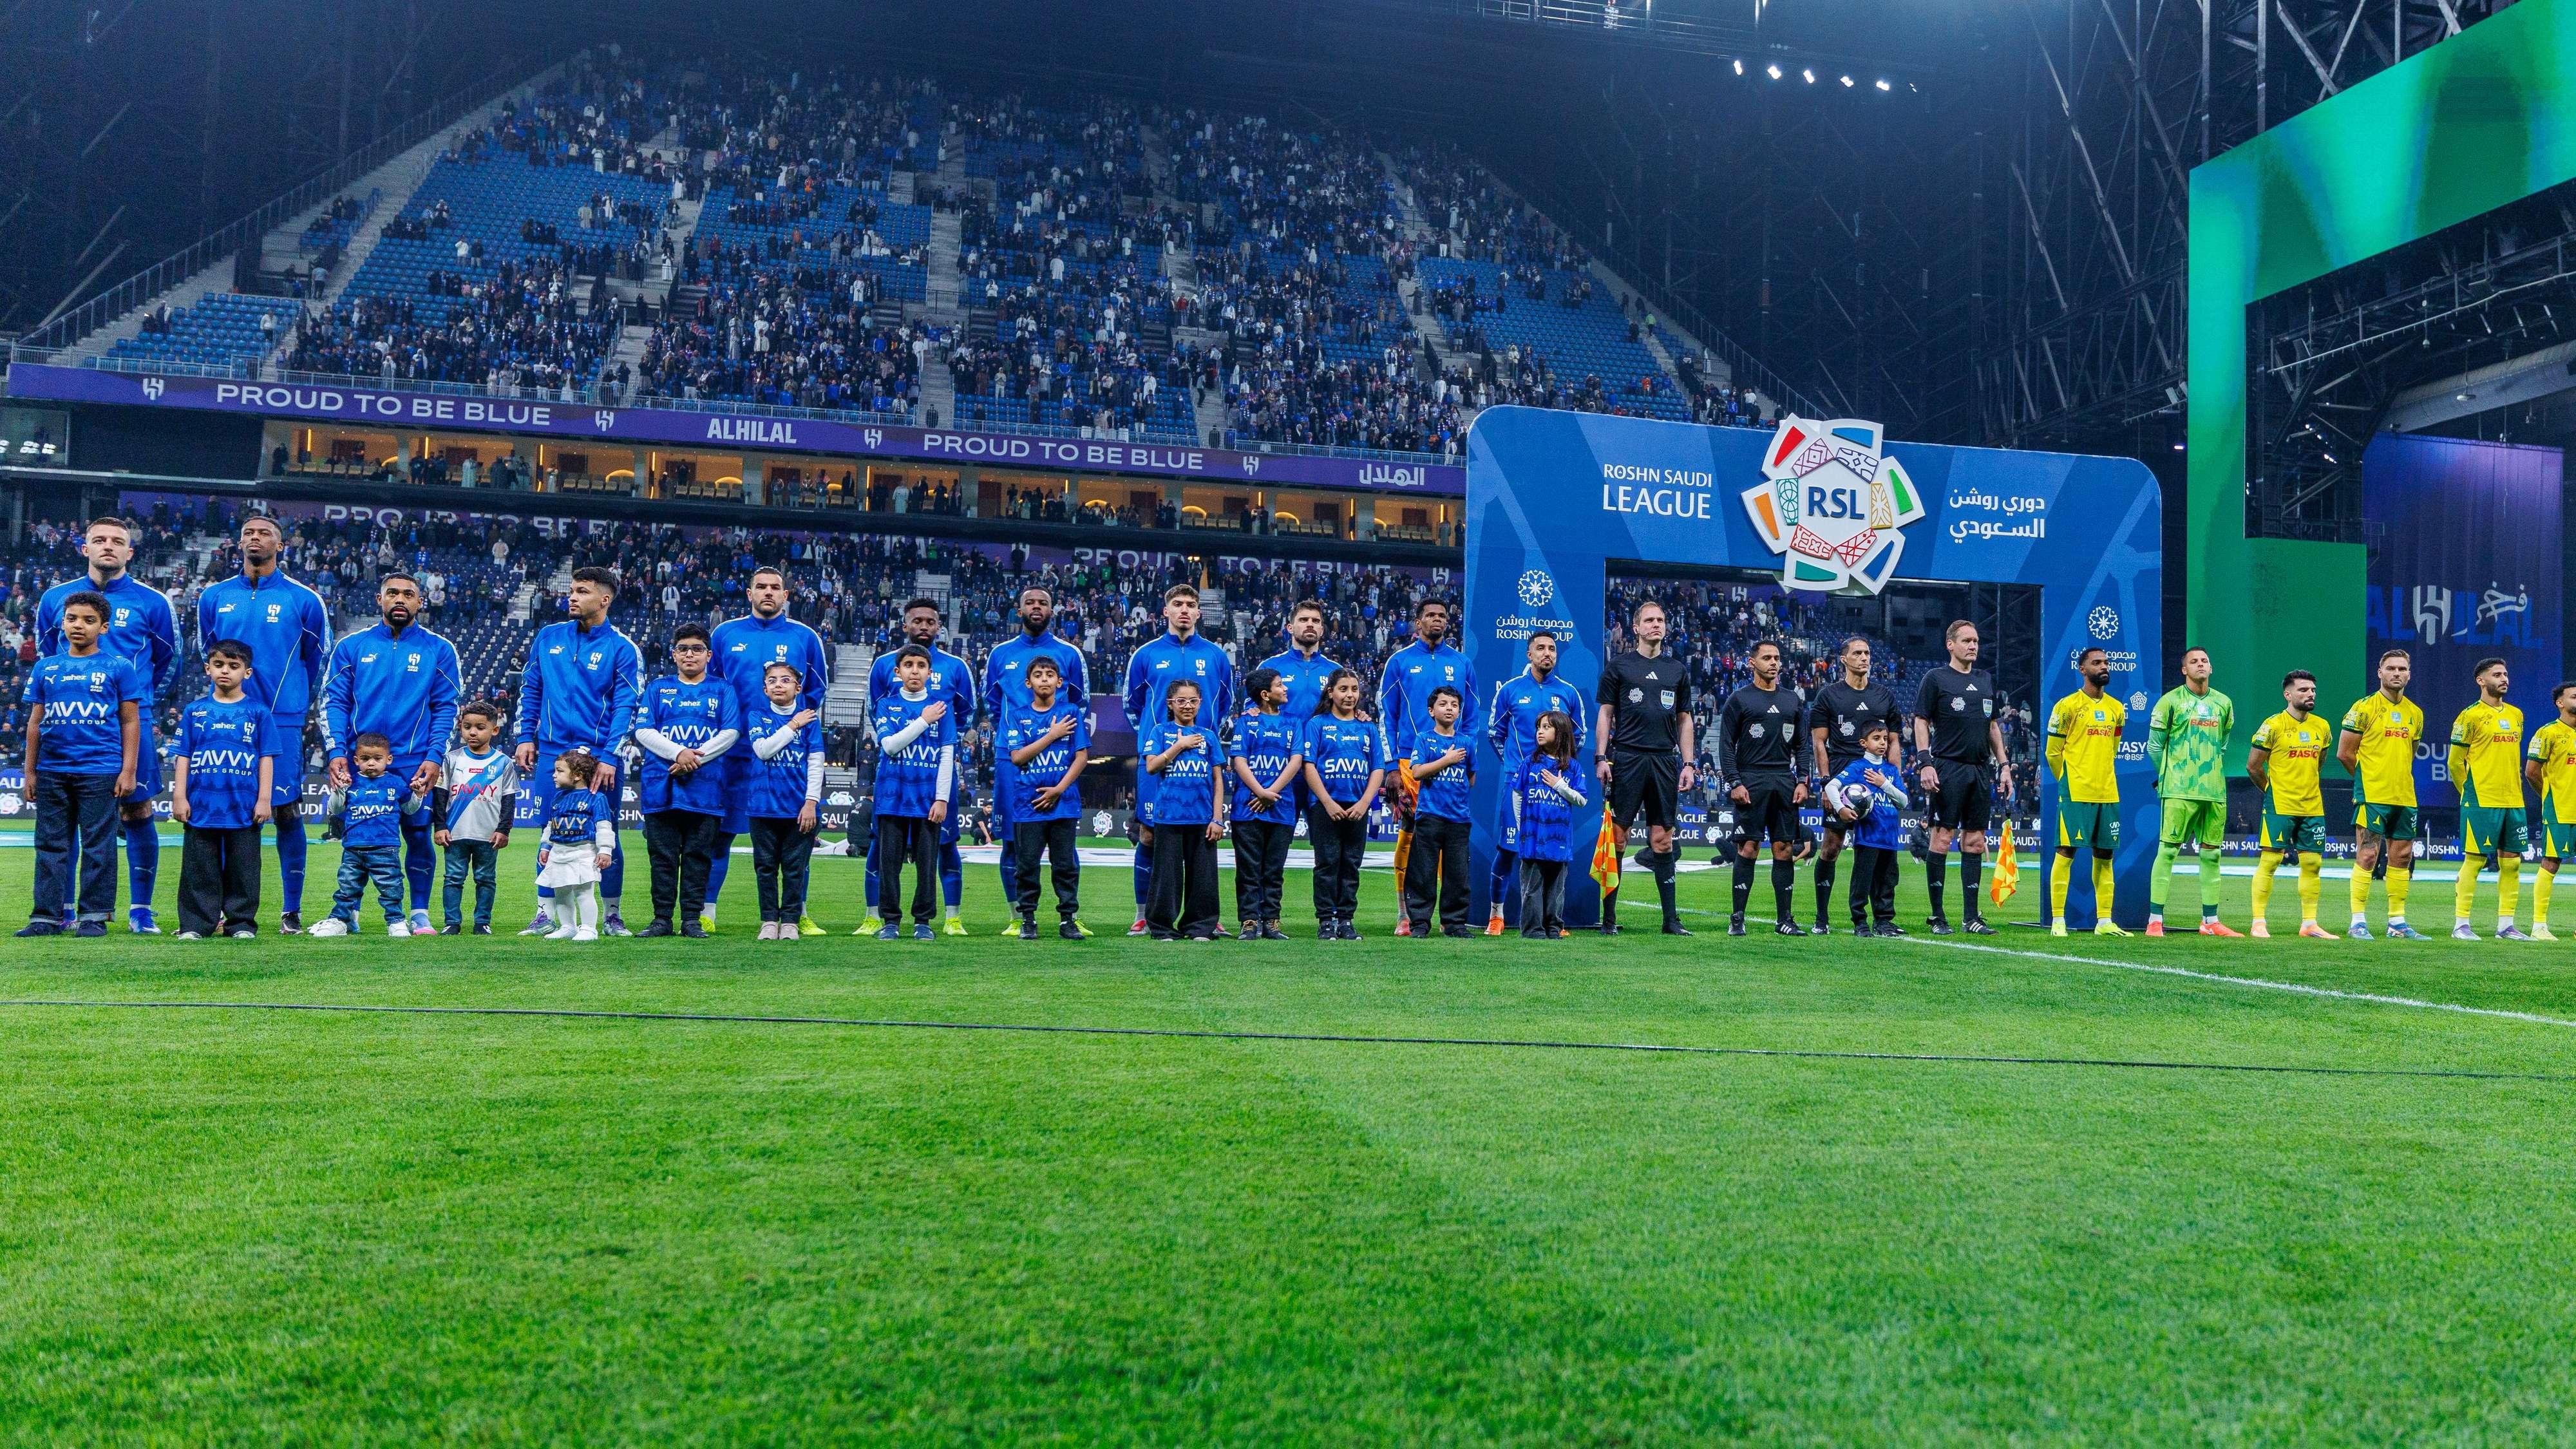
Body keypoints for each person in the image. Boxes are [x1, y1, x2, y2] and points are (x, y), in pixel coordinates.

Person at [35, 516, 178, 933]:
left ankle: (140, 910)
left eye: (118, 541)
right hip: (70, 726)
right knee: (68, 816)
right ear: (85, 548)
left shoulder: (153, 602)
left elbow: (170, 662)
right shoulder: (55, 600)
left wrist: (141, 702)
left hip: (132, 722)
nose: (108, 547)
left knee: (138, 809)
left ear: (130, 552)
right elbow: (48, 659)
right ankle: (62, 908)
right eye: (99, 540)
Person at [195, 512, 331, 932]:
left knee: (287, 811)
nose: (256, 538)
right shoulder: (213, 597)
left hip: (282, 720)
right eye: (249, 533)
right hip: (226, 722)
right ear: (239, 544)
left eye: (265, 533)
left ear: (281, 544)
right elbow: (207, 652)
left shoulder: (304, 599)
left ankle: (291, 910)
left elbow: (317, 659)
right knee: (224, 811)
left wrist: (292, 703)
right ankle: (221, 910)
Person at [321, 571, 461, 935]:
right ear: (379, 600)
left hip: (415, 760)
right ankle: (348, 913)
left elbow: (447, 707)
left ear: (420, 602)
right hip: (361, 761)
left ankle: (418, 913)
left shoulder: (440, 649)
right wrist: (337, 750)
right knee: (359, 837)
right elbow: (334, 701)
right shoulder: (351, 646)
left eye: (409, 594)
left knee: (417, 836)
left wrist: (434, 757)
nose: (400, 599)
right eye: (393, 593)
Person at [513, 566, 642, 936]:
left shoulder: (622, 648)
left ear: (604, 600)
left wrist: (610, 756)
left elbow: (626, 707)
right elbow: (531, 689)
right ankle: (545, 914)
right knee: (548, 833)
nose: (572, 596)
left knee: (605, 832)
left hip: (598, 757)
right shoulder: (548, 637)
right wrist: (525, 736)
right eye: (572, 590)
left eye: (582, 591)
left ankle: (612, 914)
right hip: (553, 751)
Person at [706, 567, 828, 933]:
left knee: (796, 841)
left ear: (786, 595)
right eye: (762, 587)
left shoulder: (805, 637)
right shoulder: (725, 634)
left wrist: (790, 730)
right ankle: (707, 914)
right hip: (731, 754)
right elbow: (712, 686)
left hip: (786, 757)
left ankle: (797, 914)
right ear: (749, 593)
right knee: (719, 835)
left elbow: (815, 691)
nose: (769, 593)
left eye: (776, 587)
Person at [18, 591, 141, 938]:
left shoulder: (119, 667)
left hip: (99, 769)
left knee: (98, 845)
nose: (78, 626)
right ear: (62, 622)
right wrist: (30, 771)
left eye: (89, 620)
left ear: (104, 627)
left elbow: (130, 721)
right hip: (52, 769)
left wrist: (127, 770)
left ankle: (94, 916)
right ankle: (46, 917)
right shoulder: (46, 667)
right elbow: (34, 723)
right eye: (72, 618)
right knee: (50, 844)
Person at [1122, 585, 1235, 934]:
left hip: (1202, 759)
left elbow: (1225, 703)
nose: (1184, 610)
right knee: (1150, 835)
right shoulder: (1145, 654)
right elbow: (1132, 705)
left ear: (1199, 613)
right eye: (1177, 605)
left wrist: (1203, 739)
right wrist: (1157, 740)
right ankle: (1144, 914)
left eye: (1191, 605)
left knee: (1202, 838)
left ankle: (1204, 919)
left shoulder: (1216, 656)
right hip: (1158, 761)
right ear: (1166, 612)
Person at [863, 598, 976, 936]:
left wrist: (942, 796)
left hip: (931, 791)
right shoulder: (884, 676)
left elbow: (956, 730)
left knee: (936, 855)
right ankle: (884, 919)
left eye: (931, 621)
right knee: (886, 857)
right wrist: (922, 722)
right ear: (905, 625)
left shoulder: (953, 675)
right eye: (917, 621)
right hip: (892, 788)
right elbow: (883, 733)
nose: (924, 626)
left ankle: (934, 920)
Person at [984, 585, 1088, 909]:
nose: (1037, 607)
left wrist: (1054, 735)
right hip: (1012, 758)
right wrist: (1021, 733)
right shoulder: (1000, 654)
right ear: (1020, 610)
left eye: (1043, 602)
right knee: (1013, 842)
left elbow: (1078, 703)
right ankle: (1019, 915)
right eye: (1030, 602)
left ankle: (1070, 914)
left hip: (1058, 756)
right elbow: (992, 704)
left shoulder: (1070, 654)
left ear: (1053, 610)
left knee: (1064, 841)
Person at [634, 625, 740, 938]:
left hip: (706, 788)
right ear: (674, 654)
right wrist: (680, 753)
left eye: (696, 648)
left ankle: (692, 920)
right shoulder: (658, 688)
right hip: (661, 786)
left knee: (698, 857)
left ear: (709, 655)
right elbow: (643, 731)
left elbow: (731, 732)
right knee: (662, 858)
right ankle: (661, 920)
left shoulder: (723, 690)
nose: (689, 654)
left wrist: (694, 759)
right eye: (683, 648)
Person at [1378, 598, 1475, 936]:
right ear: (1418, 622)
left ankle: (1450, 917)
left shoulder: (1462, 663)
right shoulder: (1399, 661)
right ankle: (1405, 913)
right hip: (1409, 760)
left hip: (1453, 763)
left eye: (1443, 616)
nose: (1438, 620)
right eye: (1431, 615)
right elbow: (1386, 716)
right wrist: (1391, 766)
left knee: (1447, 840)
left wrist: (1465, 751)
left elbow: (1473, 717)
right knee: (1411, 837)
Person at [1597, 600, 1693, 935]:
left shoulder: (1677, 670)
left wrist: (1690, 763)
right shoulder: (1620, 667)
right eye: (1650, 620)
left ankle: (1671, 920)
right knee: (1619, 839)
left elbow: (1685, 719)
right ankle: (1608, 919)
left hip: (1665, 760)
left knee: (1663, 840)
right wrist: (1600, 757)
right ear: (1636, 628)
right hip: (1627, 757)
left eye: (1661, 620)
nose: (1657, 625)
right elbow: (1606, 714)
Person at [169, 639, 276, 940]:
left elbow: (265, 757)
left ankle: (241, 924)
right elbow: (184, 756)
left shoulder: (257, 712)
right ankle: (195, 925)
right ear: (207, 669)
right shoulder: (195, 711)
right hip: (201, 806)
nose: (225, 671)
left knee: (244, 870)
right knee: (198, 869)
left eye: (233, 666)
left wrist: (264, 799)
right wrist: (179, 796)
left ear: (248, 672)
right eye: (218, 665)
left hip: (243, 806)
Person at [1914, 620, 2013, 935]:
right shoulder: (1936, 679)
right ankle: (1937, 916)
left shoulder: (1985, 680)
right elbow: (1920, 721)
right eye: (1967, 641)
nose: (1973, 646)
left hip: (1980, 769)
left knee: (1975, 841)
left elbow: (1993, 727)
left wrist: (2005, 765)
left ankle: (1972, 917)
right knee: (1942, 838)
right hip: (1947, 767)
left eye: (1976, 641)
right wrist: (1925, 763)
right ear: (1950, 645)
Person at [1484, 629, 1586, 934]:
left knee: (1552, 851)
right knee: (1509, 847)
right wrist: (1519, 770)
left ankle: (1551, 921)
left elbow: (1578, 736)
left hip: (1555, 784)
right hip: (1519, 782)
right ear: (1528, 655)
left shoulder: (1569, 693)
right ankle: (1496, 914)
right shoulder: (1510, 690)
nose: (1547, 654)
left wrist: (1560, 765)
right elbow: (1494, 733)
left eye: (1552, 649)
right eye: (1540, 648)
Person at [1803, 638, 1900, 935]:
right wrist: (1824, 783)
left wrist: (1893, 779)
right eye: (1857, 653)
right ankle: (1822, 917)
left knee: (1879, 850)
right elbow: (1819, 742)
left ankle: (1881, 918)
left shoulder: (1884, 696)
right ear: (1843, 659)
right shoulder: (1829, 696)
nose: (1864, 658)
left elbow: (1894, 741)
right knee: (1831, 847)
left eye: (1867, 653)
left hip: (1877, 780)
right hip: (1843, 778)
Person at [1712, 639, 1804, 938]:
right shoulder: (1740, 700)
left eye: (1777, 658)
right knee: (1748, 848)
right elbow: (1725, 745)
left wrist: (1803, 780)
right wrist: (1734, 782)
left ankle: (1785, 920)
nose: (1774, 663)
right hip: (1751, 780)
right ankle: (1737, 918)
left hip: (1783, 780)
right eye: (1767, 658)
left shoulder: (1792, 700)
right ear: (1752, 663)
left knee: (1784, 849)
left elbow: (1802, 746)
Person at [2145, 646, 2237, 938]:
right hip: (2178, 790)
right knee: (2168, 851)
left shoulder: (2224, 703)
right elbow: (2154, 746)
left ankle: (2210, 921)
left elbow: (2222, 743)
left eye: (2205, 661)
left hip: (2213, 791)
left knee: (2212, 855)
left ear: (2211, 669)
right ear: (2184, 669)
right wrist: (2166, 778)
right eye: (2194, 662)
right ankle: (2155, 920)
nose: (2201, 665)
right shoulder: (2169, 702)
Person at [2336, 649, 2427, 940]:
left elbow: (2410, 755)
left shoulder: (2416, 713)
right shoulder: (2363, 708)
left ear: (2409, 674)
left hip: (2404, 796)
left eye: (2402, 669)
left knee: (2401, 857)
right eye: (2391, 669)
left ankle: (2397, 923)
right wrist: (2368, 781)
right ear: (2380, 673)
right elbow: (2345, 753)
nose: (2397, 673)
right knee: (2368, 854)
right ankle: (2358, 922)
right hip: (2373, 796)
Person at [1000, 654, 1090, 940]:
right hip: (1028, 804)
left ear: (1060, 682)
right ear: (1029, 683)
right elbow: (1017, 757)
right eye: (1038, 675)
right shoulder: (1017, 715)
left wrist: (1059, 790)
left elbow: (1082, 757)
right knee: (1027, 865)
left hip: (1063, 803)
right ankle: (1028, 919)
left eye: (1050, 675)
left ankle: (1068, 920)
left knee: (1065, 865)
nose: (1044, 679)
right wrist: (1052, 735)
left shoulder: (1071, 712)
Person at [872, 645, 954, 941]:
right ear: (898, 672)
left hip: (927, 799)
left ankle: (923, 922)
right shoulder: (886, 705)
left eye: (921, 665)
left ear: (930, 673)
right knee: (889, 864)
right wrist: (923, 720)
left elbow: (947, 756)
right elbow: (890, 746)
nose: (915, 670)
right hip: (892, 796)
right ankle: (890, 921)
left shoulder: (942, 708)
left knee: (927, 865)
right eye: (909, 665)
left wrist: (942, 798)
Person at [307, 734, 426, 938]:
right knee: (347, 889)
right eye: (365, 759)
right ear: (356, 760)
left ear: (388, 760)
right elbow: (335, 810)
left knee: (391, 887)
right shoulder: (350, 783)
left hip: (385, 848)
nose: (371, 763)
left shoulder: (396, 783)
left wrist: (417, 794)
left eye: (377, 759)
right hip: (353, 848)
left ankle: (396, 922)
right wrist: (340, 791)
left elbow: (409, 810)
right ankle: (340, 921)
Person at [2245, 670, 2334, 940]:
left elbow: (2319, 763)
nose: (2310, 695)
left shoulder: (2322, 727)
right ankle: (2258, 922)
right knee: (2270, 862)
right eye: (2304, 690)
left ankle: (2309, 924)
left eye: (2313, 691)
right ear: (2288, 694)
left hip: (2312, 807)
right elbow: (2253, 766)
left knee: (2313, 865)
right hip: (2280, 805)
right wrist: (2272, 791)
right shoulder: (2272, 726)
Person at [2045, 647, 2128, 938]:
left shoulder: (2117, 709)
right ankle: (2058, 920)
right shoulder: (2067, 706)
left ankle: (2104, 921)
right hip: (2076, 792)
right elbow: (2053, 753)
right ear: (2082, 669)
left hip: (2108, 792)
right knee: (2066, 853)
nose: (2104, 666)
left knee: (2105, 857)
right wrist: (2070, 781)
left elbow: (2114, 749)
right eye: (2097, 663)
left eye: (2106, 662)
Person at [2448, 656, 2530, 941]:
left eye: (2506, 674)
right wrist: (2467, 794)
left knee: (2513, 863)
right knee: (2475, 861)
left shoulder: (2517, 715)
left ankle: (2506, 925)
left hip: (2514, 800)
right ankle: (2461, 925)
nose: (2504, 678)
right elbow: (2455, 763)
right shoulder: (2469, 716)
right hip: (2481, 799)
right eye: (2497, 674)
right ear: (2481, 681)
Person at [1302, 667, 1387, 941]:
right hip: (1326, 806)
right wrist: (1326, 802)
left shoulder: (1367, 727)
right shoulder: (1317, 724)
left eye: (1354, 689)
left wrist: (1365, 802)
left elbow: (1378, 768)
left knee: (1351, 864)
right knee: (1326, 864)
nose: (1350, 695)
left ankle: (1346, 920)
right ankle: (1326, 921)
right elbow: (1309, 765)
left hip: (1357, 806)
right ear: (1331, 692)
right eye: (1343, 689)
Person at [745, 661, 825, 941]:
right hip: (762, 807)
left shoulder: (811, 722)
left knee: (794, 868)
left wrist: (811, 802)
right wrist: (793, 724)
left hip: (798, 809)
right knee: (765, 868)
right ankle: (768, 920)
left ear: (798, 687)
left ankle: (790, 921)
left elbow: (816, 764)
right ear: (765, 689)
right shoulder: (757, 716)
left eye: (786, 680)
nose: (779, 684)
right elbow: (764, 751)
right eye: (773, 681)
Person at [1140, 677, 1224, 940]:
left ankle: (1200, 927)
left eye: (1193, 701)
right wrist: (1178, 746)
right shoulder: (1159, 732)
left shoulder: (1209, 736)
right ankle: (1162, 927)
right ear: (1170, 704)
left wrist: (1218, 818)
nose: (1187, 706)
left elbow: (1217, 779)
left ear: (1200, 704)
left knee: (1204, 878)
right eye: (1181, 701)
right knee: (1167, 877)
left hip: (1202, 818)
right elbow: (1152, 767)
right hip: (1169, 816)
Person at [1229, 667, 1304, 942]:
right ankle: (1249, 921)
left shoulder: (1294, 723)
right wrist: (1260, 792)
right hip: (1247, 808)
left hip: (1281, 807)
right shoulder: (1246, 723)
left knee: (1274, 870)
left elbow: (1296, 761)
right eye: (1280, 685)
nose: (1285, 689)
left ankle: (1271, 921)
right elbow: (1239, 761)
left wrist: (1270, 792)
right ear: (1265, 695)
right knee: (1248, 870)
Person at [435, 701, 518, 936]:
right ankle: (452, 922)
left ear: (494, 730)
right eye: (467, 726)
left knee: (486, 879)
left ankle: (482, 921)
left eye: (480, 727)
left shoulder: (503, 763)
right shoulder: (451, 759)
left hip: (488, 834)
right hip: (455, 832)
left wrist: (504, 830)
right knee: (452, 878)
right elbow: (440, 796)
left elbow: (509, 800)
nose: (472, 732)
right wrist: (440, 826)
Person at [1822, 720, 1908, 936]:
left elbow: (1904, 802)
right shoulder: (1859, 768)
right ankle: (1860, 922)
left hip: (1890, 837)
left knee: (1888, 882)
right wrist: (1841, 808)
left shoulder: (1890, 771)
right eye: (1876, 739)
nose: (1882, 743)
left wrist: (1884, 784)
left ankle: (1884, 921)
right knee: (1863, 880)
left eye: (1886, 739)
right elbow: (1832, 786)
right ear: (1864, 743)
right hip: (1868, 836)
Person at [1403, 685, 1475, 938]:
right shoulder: (1424, 739)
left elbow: (1471, 777)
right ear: (1431, 710)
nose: (1449, 709)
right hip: (1430, 815)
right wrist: (1447, 760)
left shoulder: (1467, 742)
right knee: (1423, 872)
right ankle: (1420, 924)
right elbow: (1417, 772)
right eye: (1444, 704)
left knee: (1458, 875)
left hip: (1459, 817)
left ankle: (1455, 924)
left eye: (1454, 705)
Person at [1511, 710, 1586, 939]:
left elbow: (1582, 800)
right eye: (1538, 728)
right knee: (1532, 886)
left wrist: (1558, 785)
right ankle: (1533, 929)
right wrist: (1522, 827)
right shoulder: (1529, 763)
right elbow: (1517, 795)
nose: (1539, 732)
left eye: (1546, 727)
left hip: (1559, 838)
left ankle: (1554, 927)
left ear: (1561, 733)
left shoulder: (1573, 768)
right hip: (1532, 837)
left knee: (1556, 888)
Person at [531, 748, 615, 942]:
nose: (554, 775)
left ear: (577, 775)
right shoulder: (558, 798)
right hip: (559, 852)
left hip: (583, 851)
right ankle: (568, 926)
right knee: (561, 891)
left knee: (584, 892)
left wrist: (605, 850)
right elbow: (551, 826)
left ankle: (589, 928)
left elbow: (604, 827)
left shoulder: (596, 798)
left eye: (560, 771)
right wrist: (546, 847)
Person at [2522, 681, 2576, 941]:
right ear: (2560, 703)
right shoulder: (2548, 733)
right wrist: (2549, 796)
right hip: (2560, 810)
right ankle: (2539, 926)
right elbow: (2531, 772)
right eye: (2575, 696)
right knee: (2551, 864)